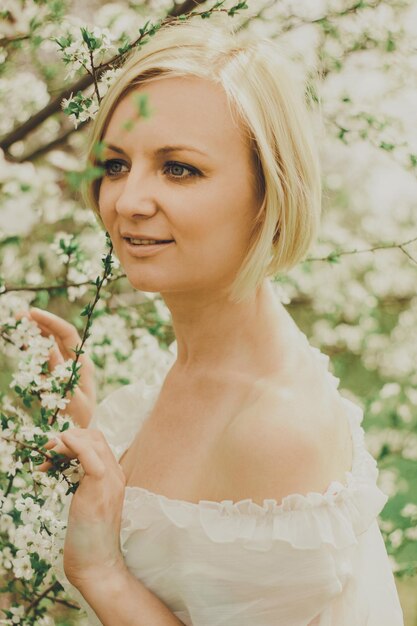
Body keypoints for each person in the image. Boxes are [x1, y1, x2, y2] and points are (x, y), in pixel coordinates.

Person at [29, 14, 403, 626]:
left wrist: (100, 573)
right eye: (117, 164)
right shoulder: (199, 364)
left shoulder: (276, 431)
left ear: (269, 195)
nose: (128, 200)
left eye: (180, 168)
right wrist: (91, 434)